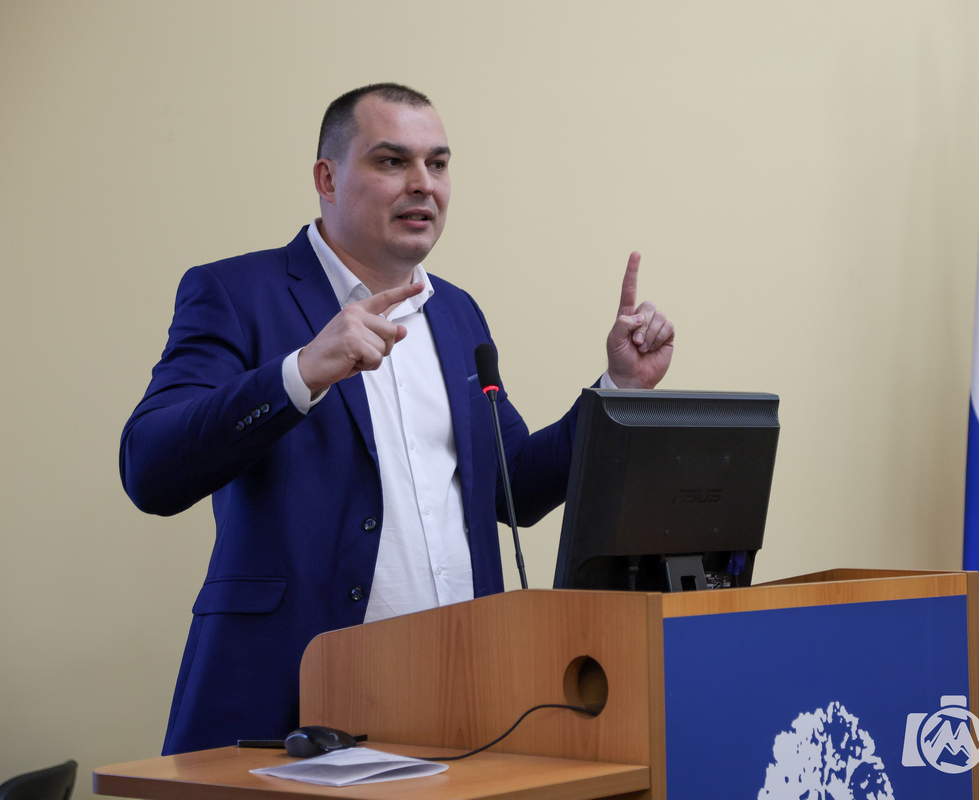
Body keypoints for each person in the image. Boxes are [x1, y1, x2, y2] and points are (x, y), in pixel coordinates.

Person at [119, 83, 674, 755]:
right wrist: (301, 371)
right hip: (292, 707)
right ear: (327, 178)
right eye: (392, 161)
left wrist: (617, 389)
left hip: (463, 704)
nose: (423, 184)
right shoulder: (238, 293)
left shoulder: (457, 312)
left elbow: (515, 488)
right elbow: (149, 468)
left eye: (437, 164)